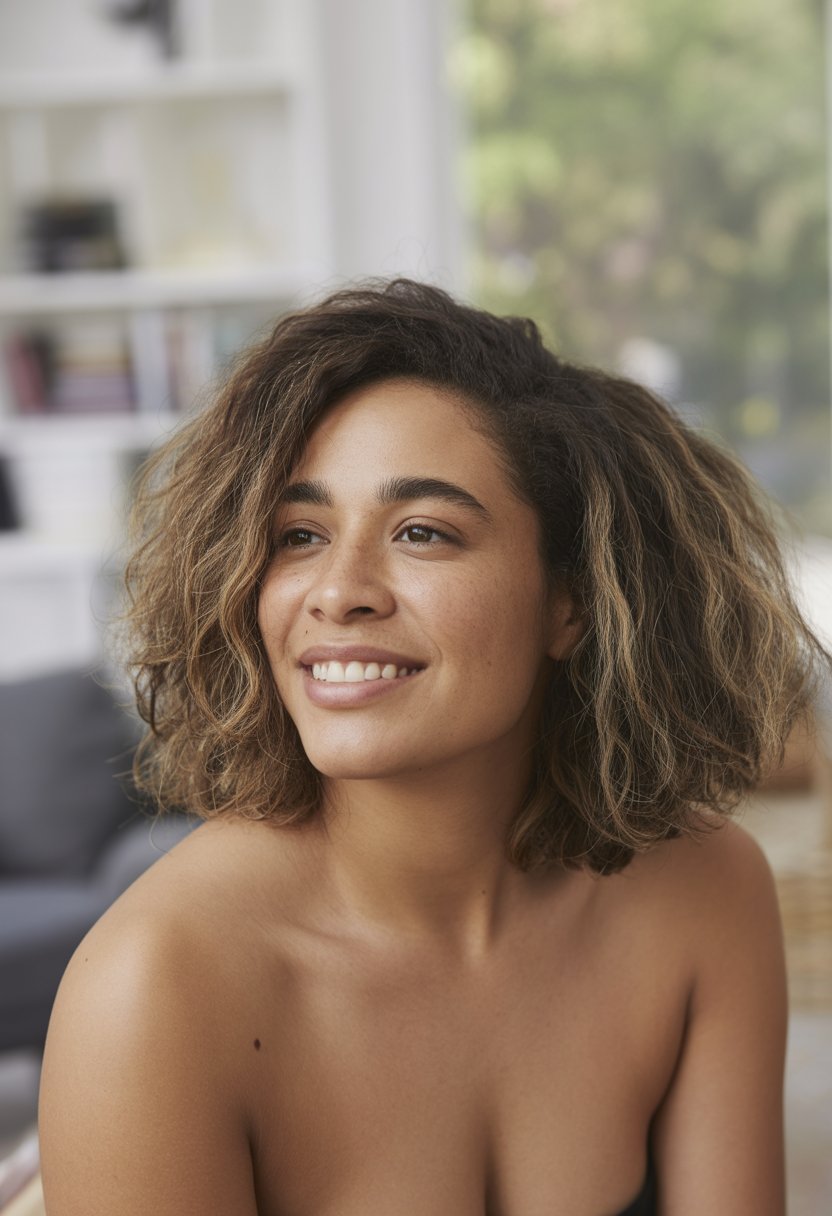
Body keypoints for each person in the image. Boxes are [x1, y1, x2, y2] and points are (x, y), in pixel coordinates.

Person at [38, 279, 828, 1215]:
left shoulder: (702, 893)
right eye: (300, 535)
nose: (339, 592)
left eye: (422, 532)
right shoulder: (158, 986)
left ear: (573, 602)